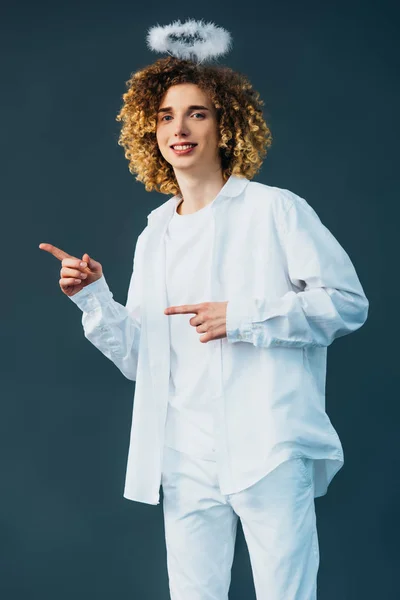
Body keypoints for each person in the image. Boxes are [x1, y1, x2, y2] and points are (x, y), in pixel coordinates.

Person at [39, 19, 369, 600]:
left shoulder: (275, 210)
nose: (179, 128)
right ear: (150, 130)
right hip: (185, 450)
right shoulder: (154, 234)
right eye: (166, 115)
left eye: (198, 112)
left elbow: (347, 304)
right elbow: (145, 360)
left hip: (267, 443)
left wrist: (241, 317)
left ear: (227, 125)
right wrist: (93, 296)